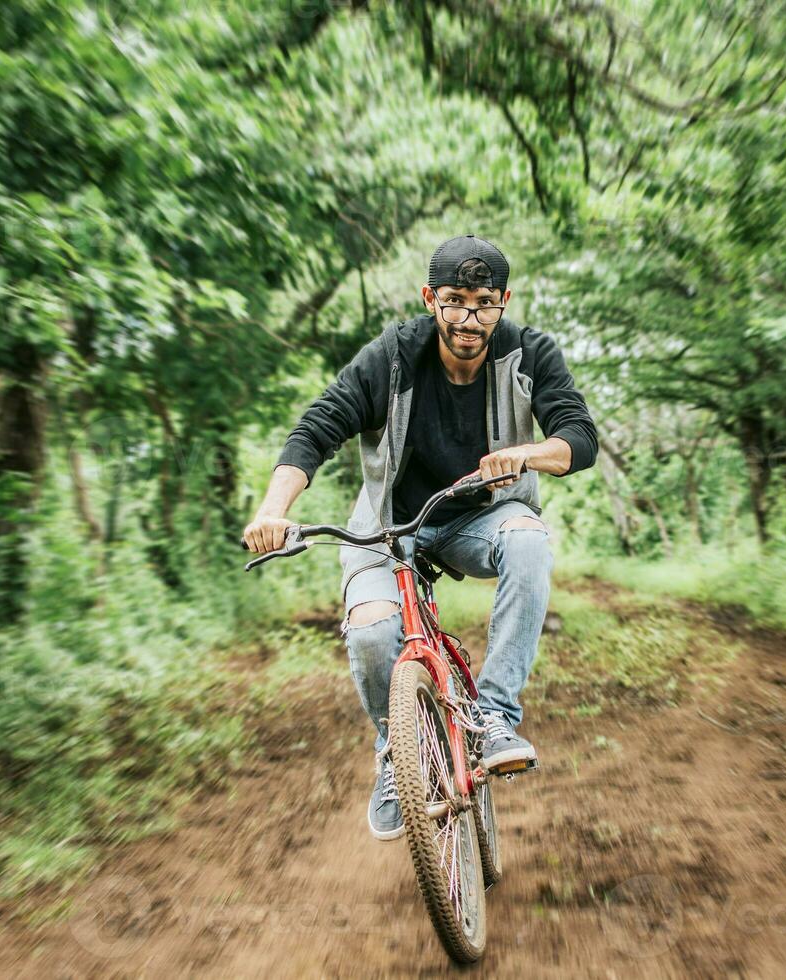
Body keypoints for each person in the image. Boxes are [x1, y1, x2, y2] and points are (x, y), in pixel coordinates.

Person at [241, 234, 599, 841]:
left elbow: (578, 436)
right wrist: (272, 511)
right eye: (455, 300)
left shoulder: (530, 353)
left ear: (503, 301)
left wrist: (526, 454)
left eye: (484, 302)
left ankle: (493, 718)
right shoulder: (395, 356)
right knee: (377, 632)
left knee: (531, 542)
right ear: (430, 298)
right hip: (387, 524)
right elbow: (319, 426)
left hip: (476, 518)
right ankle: (394, 753)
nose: (469, 318)